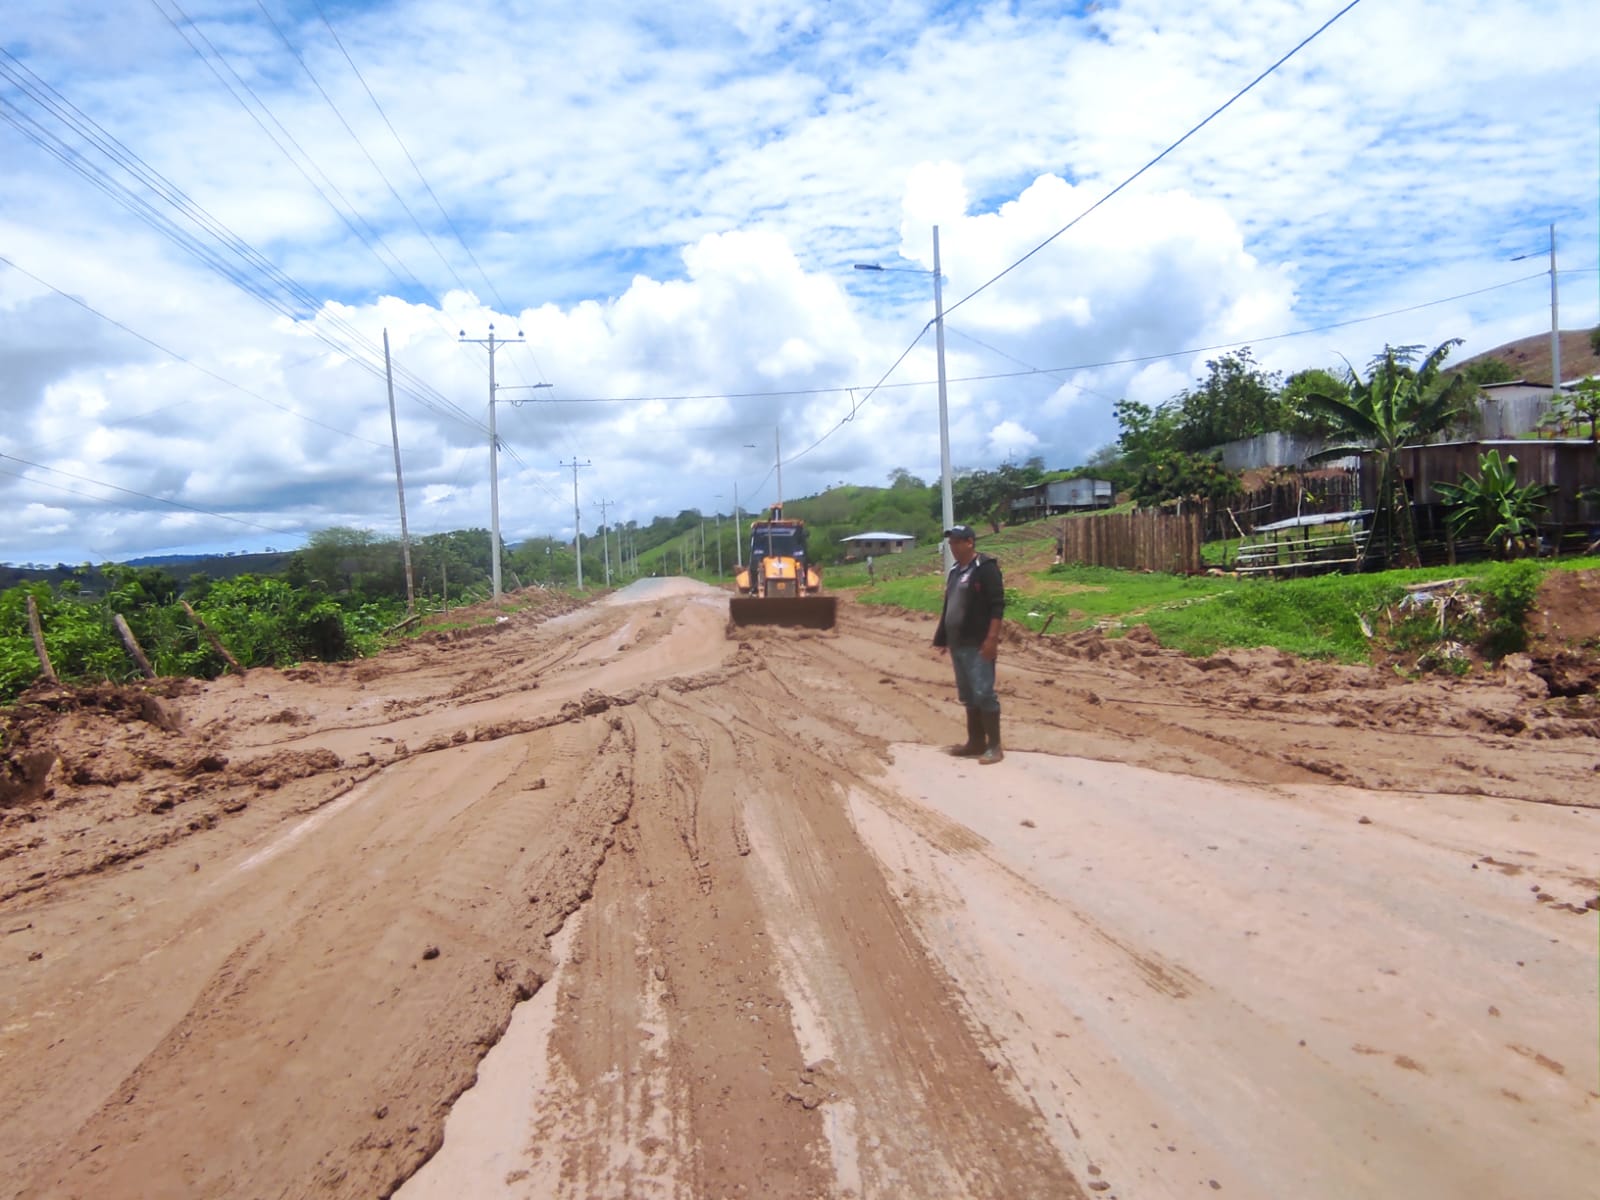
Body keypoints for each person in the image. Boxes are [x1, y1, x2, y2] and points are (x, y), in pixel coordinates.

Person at [931, 525, 1005, 764]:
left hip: (978, 642)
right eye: (951, 543)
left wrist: (992, 639)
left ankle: (994, 746)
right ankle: (975, 742)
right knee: (968, 694)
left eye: (957, 542)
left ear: (970, 542)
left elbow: (997, 605)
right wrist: (942, 638)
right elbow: (949, 605)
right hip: (958, 642)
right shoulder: (955, 571)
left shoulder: (985, 568)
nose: (953, 547)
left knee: (984, 692)